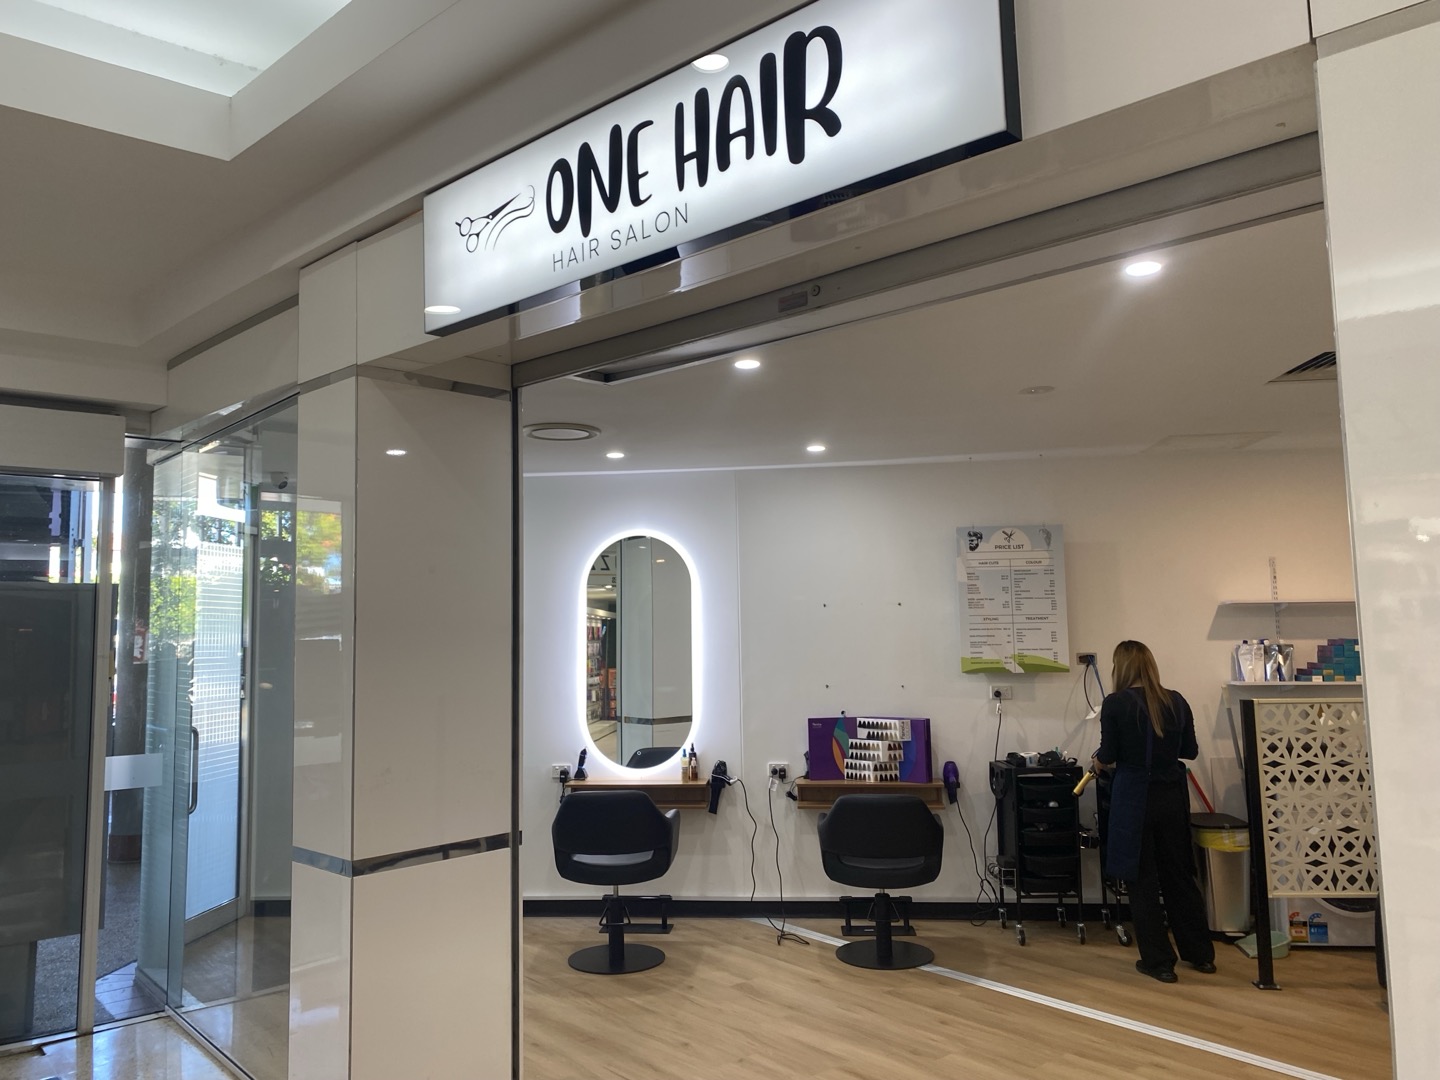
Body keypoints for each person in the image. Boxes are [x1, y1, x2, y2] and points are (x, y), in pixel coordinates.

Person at [1093, 640, 1215, 983]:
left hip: (1135, 799)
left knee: (1141, 878)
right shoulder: (1176, 700)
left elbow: (1109, 752)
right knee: (1179, 876)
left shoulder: (1115, 704)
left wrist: (1099, 762)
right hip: (1172, 798)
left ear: (1122, 668)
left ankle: (1159, 962)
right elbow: (1188, 751)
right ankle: (1200, 955)